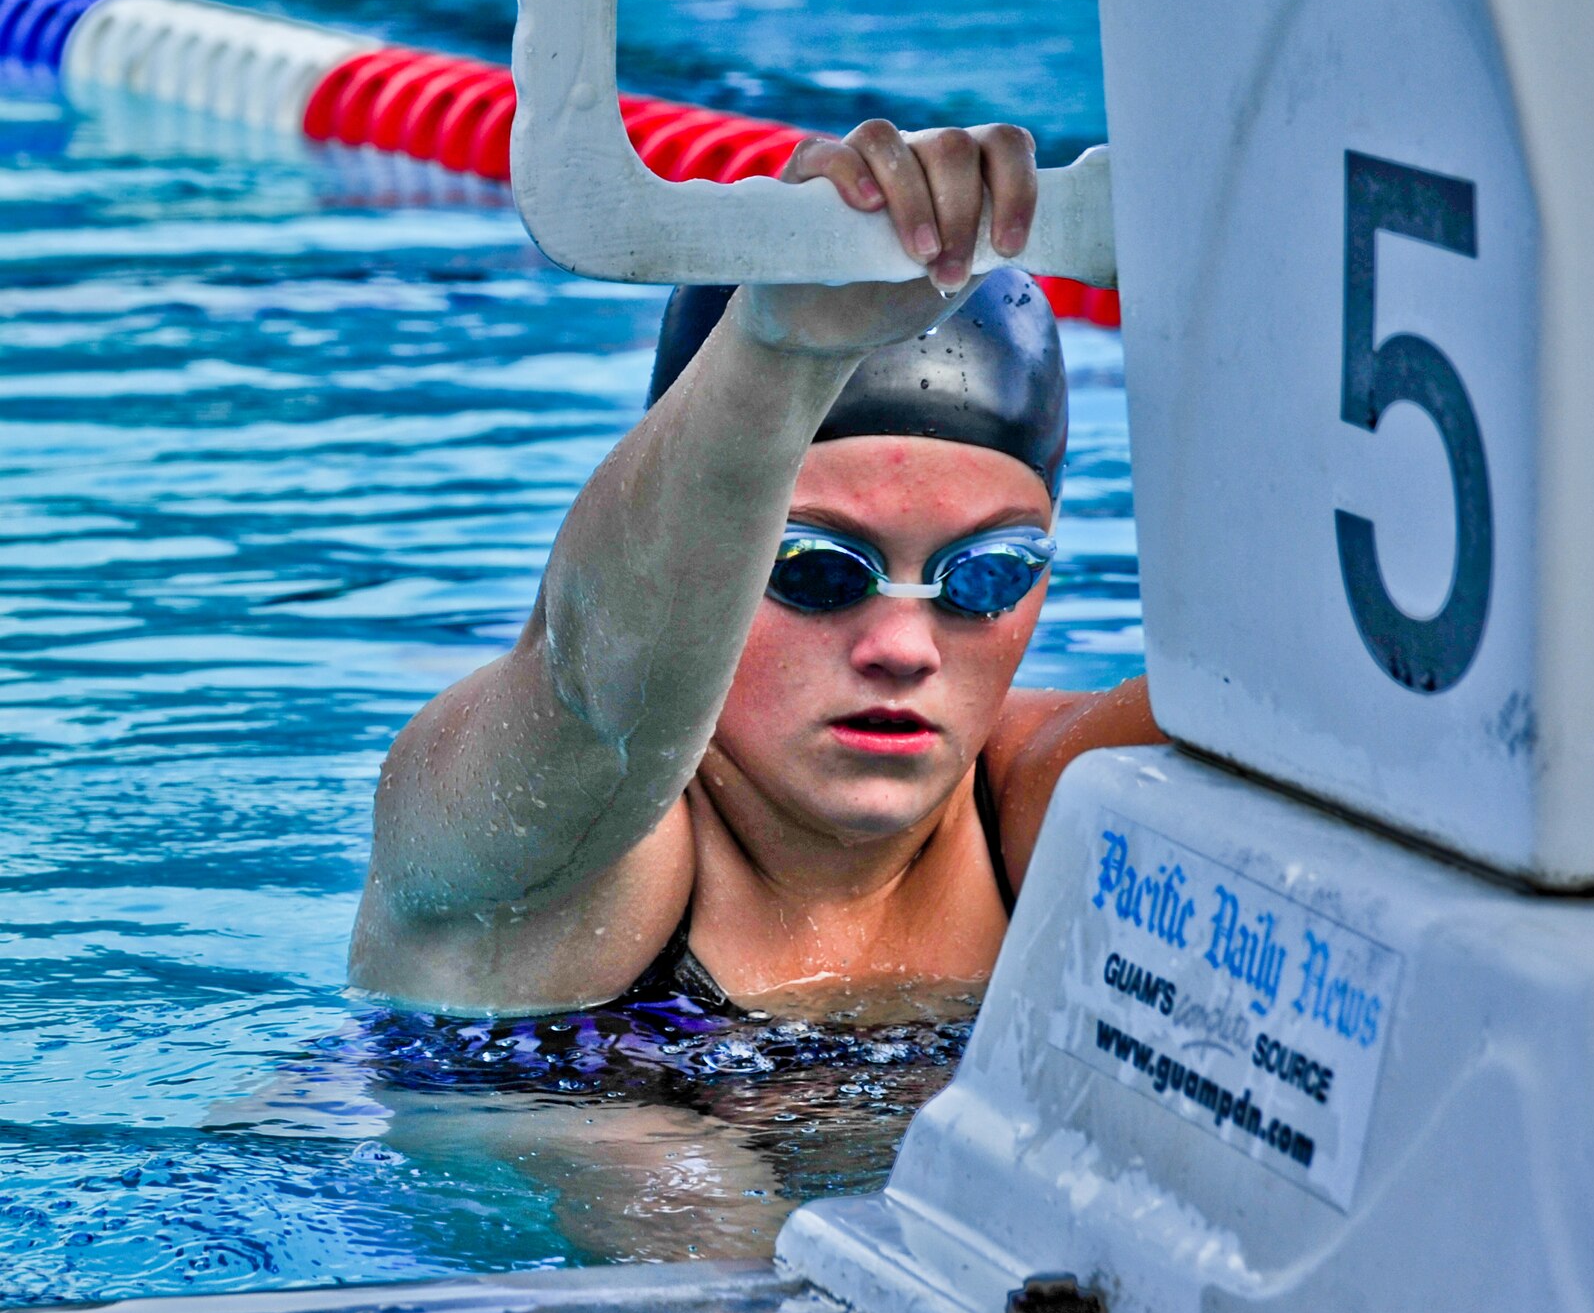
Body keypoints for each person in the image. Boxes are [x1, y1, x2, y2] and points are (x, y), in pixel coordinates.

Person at [351, 119, 1161, 1020]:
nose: (902, 646)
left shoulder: (1057, 802)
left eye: (985, 574)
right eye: (817, 568)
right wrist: (781, 352)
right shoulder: (548, 842)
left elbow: (1314, 719)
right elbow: (595, 695)